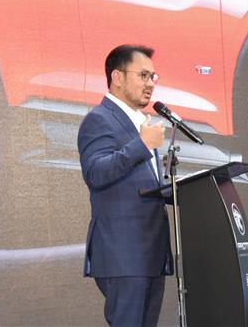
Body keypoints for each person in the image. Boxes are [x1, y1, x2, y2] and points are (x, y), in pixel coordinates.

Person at [78, 44, 173, 326]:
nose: (150, 84)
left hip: (150, 253)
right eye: (143, 75)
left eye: (153, 77)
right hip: (124, 254)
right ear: (117, 77)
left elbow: (144, 186)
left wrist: (184, 189)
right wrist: (141, 144)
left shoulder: (141, 123)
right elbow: (95, 172)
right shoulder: (99, 119)